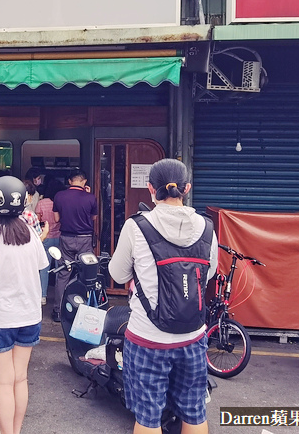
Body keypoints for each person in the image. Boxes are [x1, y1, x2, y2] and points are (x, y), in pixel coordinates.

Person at [108, 159, 218, 434]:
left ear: (150, 188)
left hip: (147, 338)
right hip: (193, 337)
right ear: (187, 188)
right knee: (194, 414)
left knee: (148, 418)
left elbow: (118, 275)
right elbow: (210, 272)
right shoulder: (207, 228)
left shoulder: (136, 226)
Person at [0, 175, 49, 434]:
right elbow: (41, 268)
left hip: (0, 318)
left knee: (3, 383)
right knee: (21, 378)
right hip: (29, 316)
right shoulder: (31, 235)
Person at [51, 169, 97, 322]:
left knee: (63, 273)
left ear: (70, 181)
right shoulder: (90, 197)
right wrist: (88, 195)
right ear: (84, 182)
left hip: (66, 238)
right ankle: (84, 309)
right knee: (86, 274)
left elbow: (56, 219)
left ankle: (58, 311)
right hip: (85, 239)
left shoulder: (59, 196)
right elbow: (94, 218)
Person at [35, 179, 63, 306]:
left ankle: (42, 296)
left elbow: (37, 221)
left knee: (44, 268)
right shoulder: (61, 202)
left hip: (45, 237)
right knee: (59, 268)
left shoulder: (41, 203)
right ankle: (59, 296)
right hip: (59, 236)